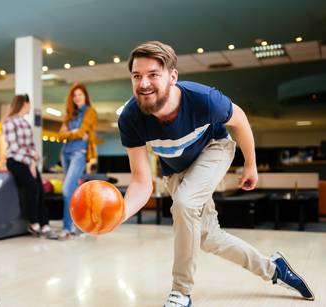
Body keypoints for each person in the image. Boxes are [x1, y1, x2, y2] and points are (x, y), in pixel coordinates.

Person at [118, 41, 314, 307]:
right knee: (209, 238)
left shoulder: (204, 99)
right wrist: (118, 214)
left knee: (185, 203)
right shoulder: (130, 118)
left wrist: (251, 165)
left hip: (215, 149)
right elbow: (141, 182)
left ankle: (181, 292)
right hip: (177, 169)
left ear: (173, 76)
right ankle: (274, 269)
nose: (144, 84)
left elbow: (241, 120)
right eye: (137, 76)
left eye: (153, 74)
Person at [2, 94, 56, 239]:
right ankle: (33, 222)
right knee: (31, 186)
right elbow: (14, 148)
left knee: (40, 188)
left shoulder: (26, 124)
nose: (30, 107)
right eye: (29, 104)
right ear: (25, 104)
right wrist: (30, 161)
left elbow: (32, 146)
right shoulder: (9, 123)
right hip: (15, 160)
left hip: (29, 162)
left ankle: (44, 225)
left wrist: (33, 163)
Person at [58, 83, 98, 240]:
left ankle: (66, 228)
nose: (77, 98)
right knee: (73, 192)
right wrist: (74, 133)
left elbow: (81, 131)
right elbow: (60, 135)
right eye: (74, 95)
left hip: (79, 154)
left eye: (80, 94)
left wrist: (71, 132)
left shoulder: (90, 112)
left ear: (85, 96)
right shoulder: (70, 114)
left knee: (67, 189)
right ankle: (77, 225)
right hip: (65, 154)